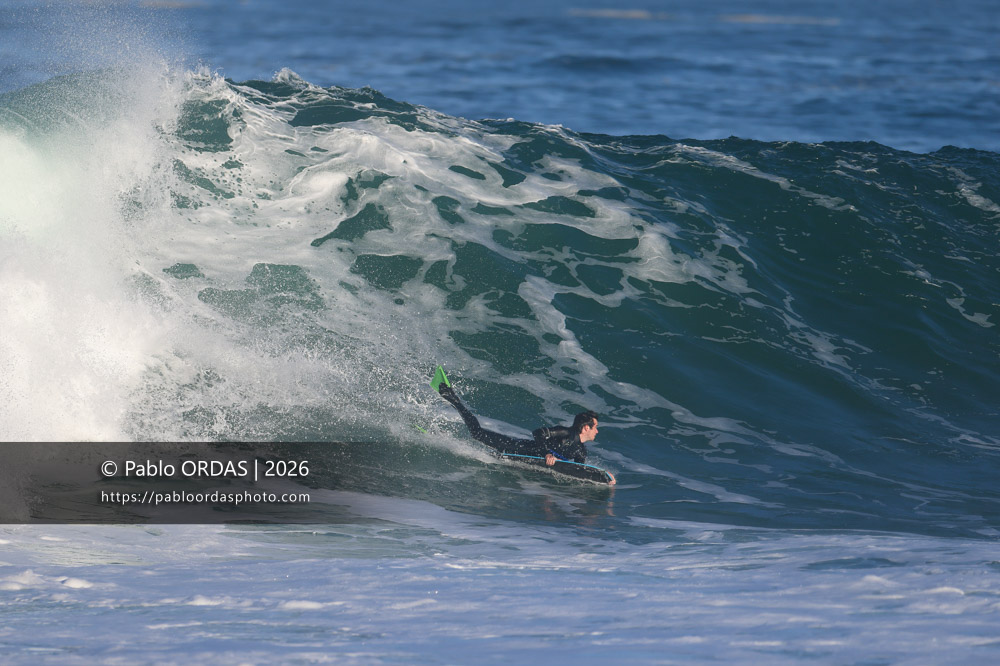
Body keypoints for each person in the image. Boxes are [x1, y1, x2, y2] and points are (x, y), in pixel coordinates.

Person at [434, 367, 614, 484]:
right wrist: (547, 453)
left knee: (486, 452)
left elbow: (578, 472)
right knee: (477, 434)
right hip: (517, 447)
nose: (597, 431)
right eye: (595, 427)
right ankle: (452, 397)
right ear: (585, 428)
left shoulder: (581, 452)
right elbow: (537, 433)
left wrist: (604, 479)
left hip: (522, 461)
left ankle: (441, 434)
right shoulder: (565, 432)